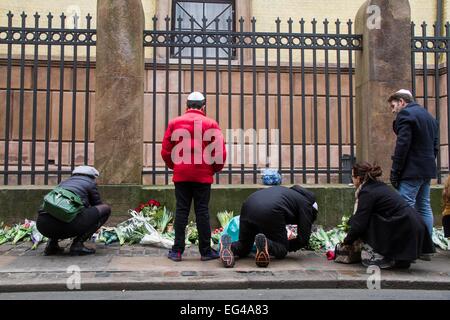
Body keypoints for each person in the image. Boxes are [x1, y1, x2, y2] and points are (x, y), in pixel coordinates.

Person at [161, 92, 226, 262]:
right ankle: (205, 251)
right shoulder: (211, 123)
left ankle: (177, 251)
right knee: (202, 211)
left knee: (182, 211)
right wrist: (213, 169)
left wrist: (175, 167)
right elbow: (219, 153)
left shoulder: (174, 123)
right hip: (203, 176)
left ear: (187, 105)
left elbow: (166, 151)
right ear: (203, 106)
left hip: (181, 175)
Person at [342, 162, 434, 269]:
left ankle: (385, 257)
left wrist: (347, 241)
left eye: (352, 176)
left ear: (358, 178)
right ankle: (398, 259)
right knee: (364, 218)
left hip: (405, 227)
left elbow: (360, 223)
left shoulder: (367, 192)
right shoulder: (377, 186)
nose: (352, 180)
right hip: (412, 226)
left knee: (367, 221)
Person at [219, 185, 318, 268]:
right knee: (282, 249)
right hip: (271, 210)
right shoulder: (307, 205)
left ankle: (230, 247)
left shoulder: (288, 193)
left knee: (245, 246)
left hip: (248, 205)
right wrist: (287, 245)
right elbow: (303, 239)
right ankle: (267, 244)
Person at [388, 89, 439, 238]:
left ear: (402, 102)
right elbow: (435, 146)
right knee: (424, 206)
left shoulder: (405, 115)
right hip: (426, 169)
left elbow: (402, 145)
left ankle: (407, 246)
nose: (393, 111)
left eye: (393, 106)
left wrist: (395, 171)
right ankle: (426, 246)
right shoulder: (429, 117)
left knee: (404, 206)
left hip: (411, 171)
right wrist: (427, 162)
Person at [36, 166, 111, 256]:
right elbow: (98, 206)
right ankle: (77, 245)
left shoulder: (63, 183)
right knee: (105, 209)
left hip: (42, 226)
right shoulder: (90, 183)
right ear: (92, 177)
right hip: (67, 226)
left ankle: (52, 245)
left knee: (57, 211)